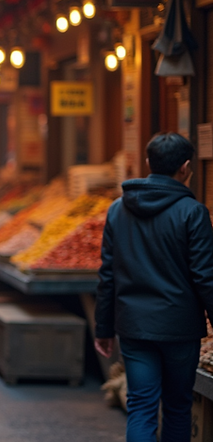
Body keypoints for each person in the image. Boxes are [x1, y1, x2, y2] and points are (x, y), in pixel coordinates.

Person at [95, 133, 213, 442]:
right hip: (179, 328)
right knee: (177, 408)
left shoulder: (118, 210)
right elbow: (205, 277)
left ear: (148, 163)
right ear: (186, 168)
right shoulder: (193, 213)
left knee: (141, 407)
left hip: (133, 326)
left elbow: (108, 274)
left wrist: (103, 328)